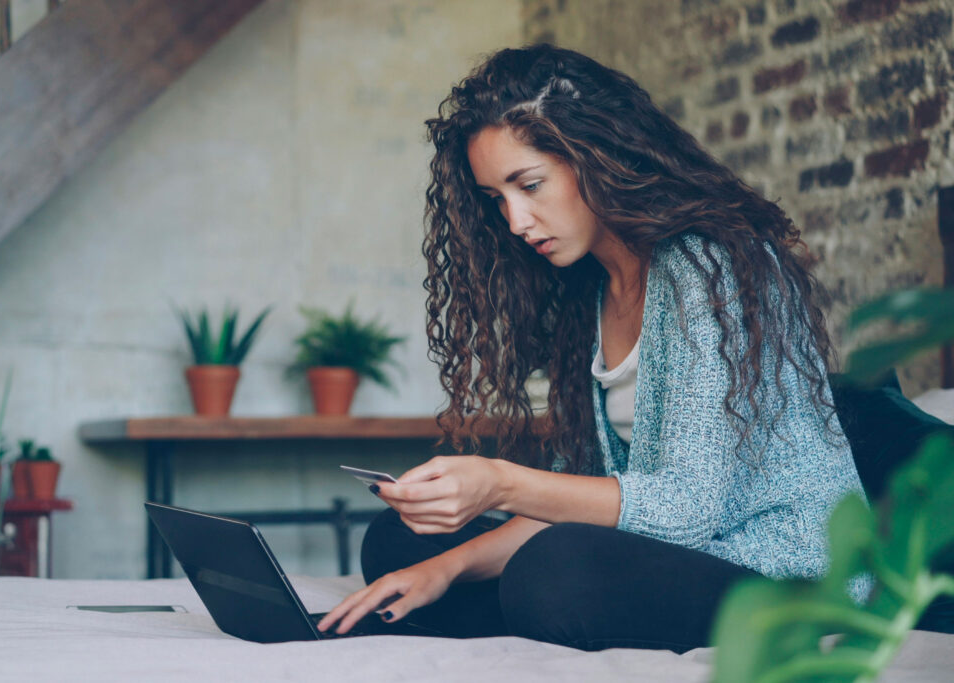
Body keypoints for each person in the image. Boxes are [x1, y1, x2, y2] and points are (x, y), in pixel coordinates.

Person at [316, 44, 867, 652]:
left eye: (529, 185)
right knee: (397, 546)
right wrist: (444, 569)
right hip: (668, 556)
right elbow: (591, 496)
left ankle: (526, 605)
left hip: (786, 577)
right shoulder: (590, 291)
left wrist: (498, 482)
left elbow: (687, 508)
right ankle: (480, 596)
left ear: (596, 157)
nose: (517, 221)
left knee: (556, 572)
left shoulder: (712, 268)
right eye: (497, 199)